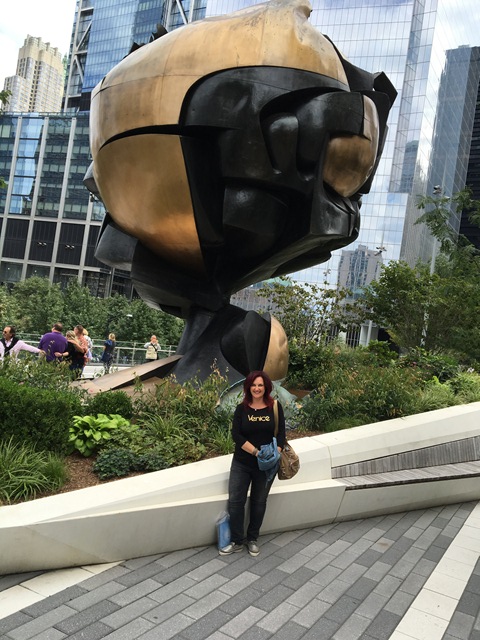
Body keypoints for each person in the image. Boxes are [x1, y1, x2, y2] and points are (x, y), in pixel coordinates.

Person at [219, 370, 285, 557]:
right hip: (242, 463)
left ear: (266, 387)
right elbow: (236, 435)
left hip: (266, 466)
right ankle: (237, 541)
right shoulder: (242, 409)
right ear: (248, 387)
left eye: (260, 385)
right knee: (236, 501)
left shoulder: (275, 407)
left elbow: (281, 434)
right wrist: (256, 452)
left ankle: (253, 539)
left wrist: (275, 453)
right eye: (253, 385)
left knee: (259, 501)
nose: (257, 388)